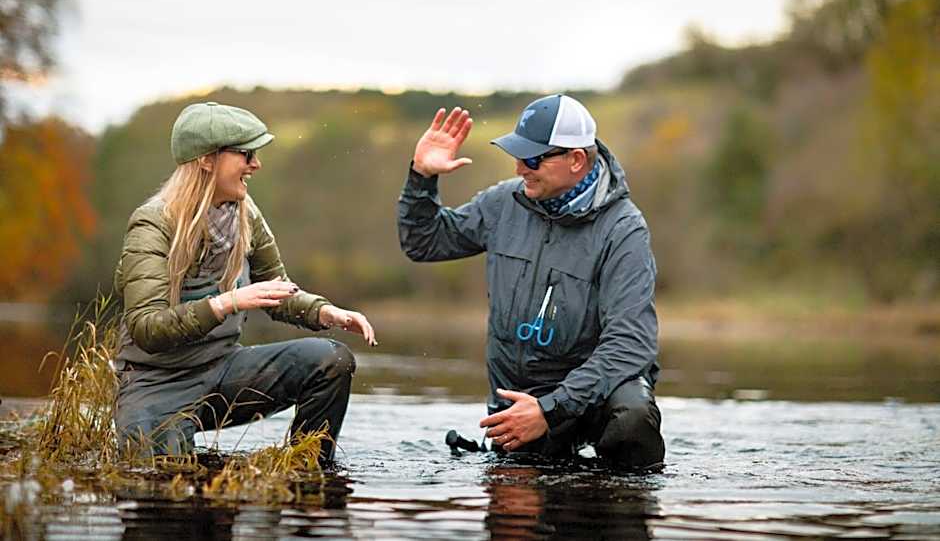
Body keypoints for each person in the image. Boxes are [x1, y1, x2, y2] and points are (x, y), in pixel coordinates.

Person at [398, 94, 665, 468]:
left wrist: (552, 409)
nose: (520, 167)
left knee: (633, 417)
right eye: (518, 154)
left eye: (534, 158)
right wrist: (422, 178)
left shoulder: (623, 229)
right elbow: (423, 243)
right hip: (518, 404)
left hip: (591, 400)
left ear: (576, 160)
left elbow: (631, 345)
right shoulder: (503, 203)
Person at [113, 101, 376, 462]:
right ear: (207, 159)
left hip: (223, 371)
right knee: (167, 487)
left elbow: (274, 288)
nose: (256, 164)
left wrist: (325, 312)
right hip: (156, 384)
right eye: (246, 154)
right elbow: (147, 329)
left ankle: (307, 472)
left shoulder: (246, 213)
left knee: (331, 360)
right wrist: (228, 302)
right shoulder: (152, 224)